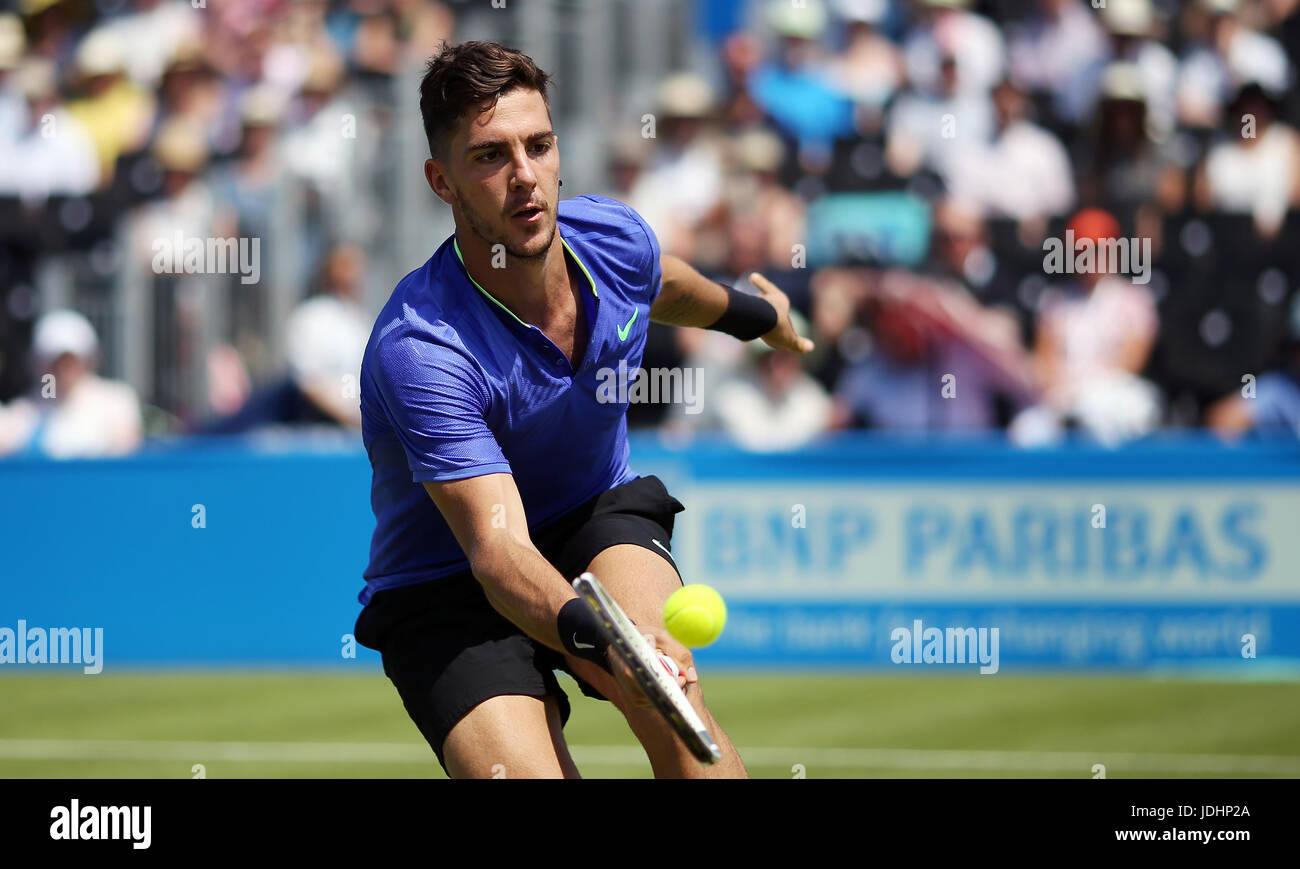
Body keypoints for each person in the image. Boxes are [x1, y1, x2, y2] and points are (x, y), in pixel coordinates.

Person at [355, 42, 812, 779]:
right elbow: (498, 550)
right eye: (489, 156)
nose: (525, 176)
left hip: (592, 512)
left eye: (538, 145)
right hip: (448, 581)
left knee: (672, 701)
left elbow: (673, 288)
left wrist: (761, 317)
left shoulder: (614, 238)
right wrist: (598, 638)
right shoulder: (421, 347)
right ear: (442, 181)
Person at [0, 309, 142, 458]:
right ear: (38, 363)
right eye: (55, 362)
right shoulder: (22, 413)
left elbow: (126, 452)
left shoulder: (117, 401)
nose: (63, 369)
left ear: (88, 360)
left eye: (71, 361)